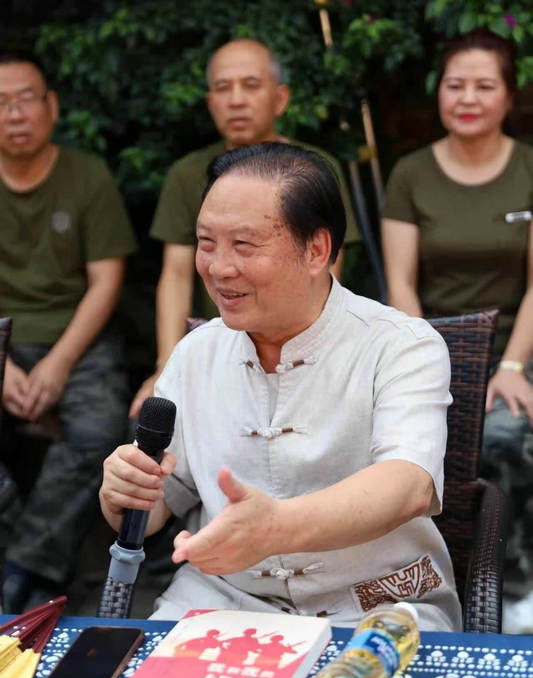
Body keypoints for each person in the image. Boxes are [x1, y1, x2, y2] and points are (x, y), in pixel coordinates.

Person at [100, 142, 461, 632]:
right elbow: (160, 503)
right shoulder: (196, 353)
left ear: (316, 250)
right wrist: (123, 492)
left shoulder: (402, 345)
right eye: (207, 243)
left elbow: (408, 484)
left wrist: (276, 527)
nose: (219, 267)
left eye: (244, 245)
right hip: (225, 600)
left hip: (377, 605)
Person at [381, 30, 533, 612]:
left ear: (509, 96)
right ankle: (420, 583)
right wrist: (428, 365)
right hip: (426, 345)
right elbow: (401, 284)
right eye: (455, 85)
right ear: (439, 92)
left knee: (502, 435)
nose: (468, 98)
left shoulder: (528, 168)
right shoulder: (411, 173)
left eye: (484, 86)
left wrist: (512, 367)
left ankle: (511, 588)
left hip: (517, 350)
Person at [129, 38, 359, 417]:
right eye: (223, 88)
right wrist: (166, 365)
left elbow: (326, 274)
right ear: (210, 102)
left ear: (280, 98)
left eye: (251, 85)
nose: (236, 100)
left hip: (300, 343)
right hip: (219, 339)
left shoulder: (315, 170)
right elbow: (176, 274)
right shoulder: (188, 174)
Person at [0, 52, 137, 612]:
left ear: (52, 107)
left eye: (26, 99)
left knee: (102, 428)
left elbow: (106, 280)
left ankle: (23, 567)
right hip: (3, 339)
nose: (14, 114)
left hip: (78, 338)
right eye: (1, 103)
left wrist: (57, 364)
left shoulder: (86, 177)